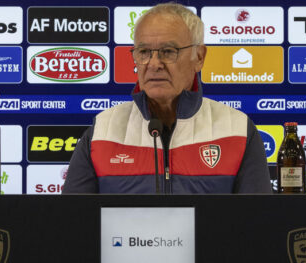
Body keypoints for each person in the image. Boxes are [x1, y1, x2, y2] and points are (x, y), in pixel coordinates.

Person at [62, 3, 271, 194]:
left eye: (168, 52)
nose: (154, 64)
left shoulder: (238, 129)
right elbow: (73, 223)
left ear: (199, 57)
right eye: (144, 52)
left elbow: (256, 224)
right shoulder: (102, 131)